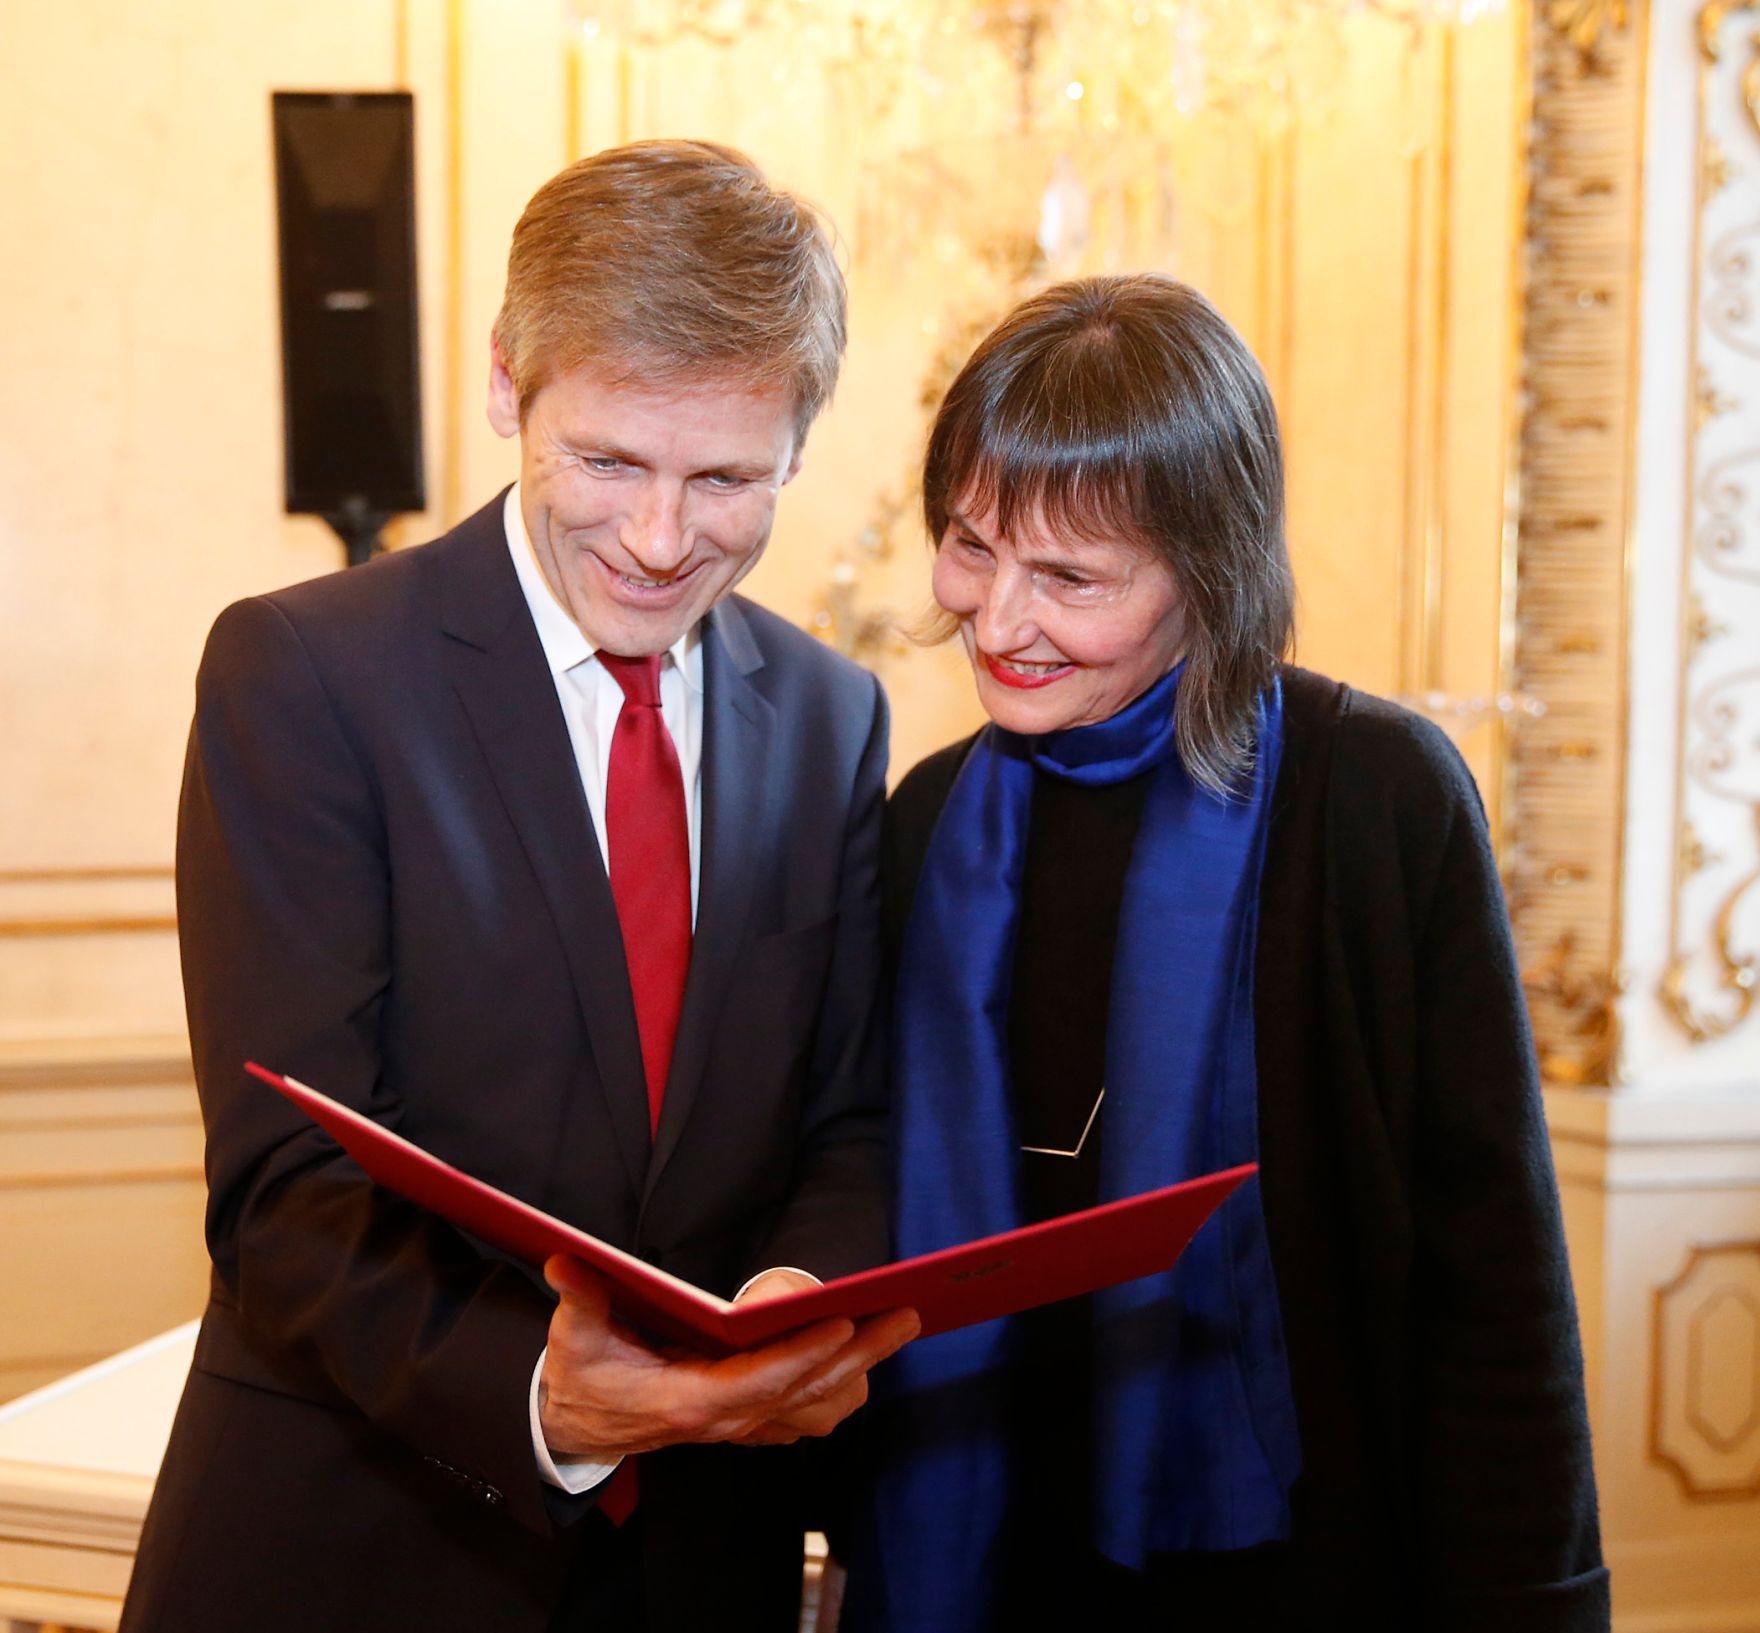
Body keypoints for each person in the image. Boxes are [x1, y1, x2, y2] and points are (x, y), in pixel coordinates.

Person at [121, 140, 917, 1633]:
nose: (663, 538)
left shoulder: (831, 714)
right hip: (355, 1549)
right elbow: (286, 1185)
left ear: (800, 450)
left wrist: (802, 1288)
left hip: (696, 1565)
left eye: (729, 478)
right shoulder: (303, 673)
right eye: (610, 459)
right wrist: (547, 1394)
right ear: (508, 386)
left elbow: (848, 1116)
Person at [843, 274, 1608, 1631]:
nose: (998, 620)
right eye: (970, 547)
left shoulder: (1375, 798)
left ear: (1210, 574)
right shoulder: (925, 818)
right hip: (990, 1556)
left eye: (1069, 577)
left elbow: (1493, 1276)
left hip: (1305, 1563)